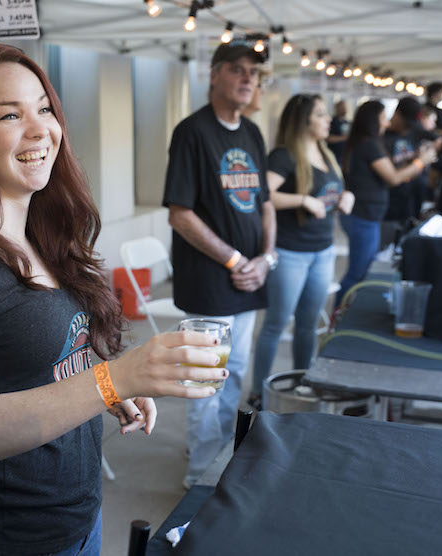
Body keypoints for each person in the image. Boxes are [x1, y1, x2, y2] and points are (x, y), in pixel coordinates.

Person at [0, 44, 226, 556]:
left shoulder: (48, 238)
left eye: (44, 109)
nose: (39, 128)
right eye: (9, 114)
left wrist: (108, 386)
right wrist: (117, 377)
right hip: (5, 540)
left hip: (80, 519)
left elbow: (48, 358)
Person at [162, 40, 276, 489]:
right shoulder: (192, 132)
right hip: (211, 279)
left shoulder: (252, 132)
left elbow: (265, 204)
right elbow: (180, 213)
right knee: (205, 383)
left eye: (254, 72)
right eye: (238, 69)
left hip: (251, 279)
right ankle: (200, 481)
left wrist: (265, 259)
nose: (248, 78)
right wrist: (234, 258)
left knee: (238, 375)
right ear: (214, 75)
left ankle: (221, 458)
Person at [249, 94, 354, 406]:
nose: (328, 120)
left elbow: (331, 191)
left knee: (308, 325)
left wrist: (347, 196)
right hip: (290, 252)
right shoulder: (284, 155)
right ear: (303, 120)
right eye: (320, 114)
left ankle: (302, 385)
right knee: (277, 323)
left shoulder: (326, 153)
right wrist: (301, 200)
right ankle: (260, 393)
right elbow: (262, 194)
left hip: (323, 250)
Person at [336, 101, 436, 304]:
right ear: (373, 121)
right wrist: (420, 162)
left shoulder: (366, 142)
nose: (387, 122)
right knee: (359, 273)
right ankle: (339, 316)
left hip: (365, 215)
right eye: (383, 118)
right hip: (363, 216)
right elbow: (393, 178)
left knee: (362, 268)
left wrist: (413, 161)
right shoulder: (369, 144)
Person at [382, 97, 429, 242]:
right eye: (407, 123)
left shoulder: (414, 131)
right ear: (397, 114)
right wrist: (420, 162)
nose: (408, 128)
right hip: (389, 202)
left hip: (411, 198)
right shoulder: (382, 136)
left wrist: (418, 155)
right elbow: (391, 176)